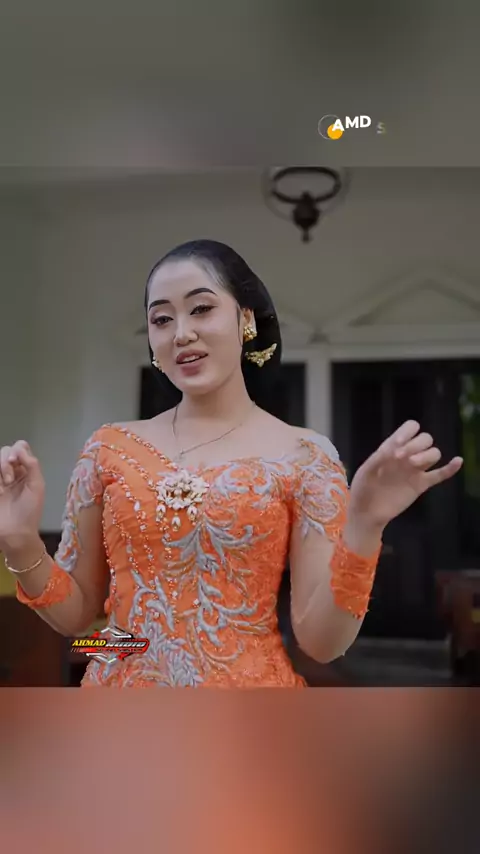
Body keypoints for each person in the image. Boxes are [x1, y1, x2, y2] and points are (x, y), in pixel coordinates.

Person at [0, 240, 463, 687]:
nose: (181, 333)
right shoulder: (108, 449)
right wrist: (20, 541)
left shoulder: (305, 456)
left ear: (245, 319)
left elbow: (321, 644)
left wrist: (363, 526)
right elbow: (76, 620)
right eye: (161, 319)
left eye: (201, 308)